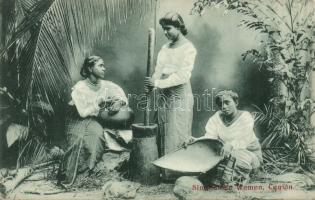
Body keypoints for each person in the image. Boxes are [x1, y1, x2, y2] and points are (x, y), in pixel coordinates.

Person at [63, 55, 134, 184]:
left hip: (95, 120)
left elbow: (122, 97)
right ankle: (73, 176)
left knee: (96, 137)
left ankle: (86, 173)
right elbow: (83, 113)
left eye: (104, 65)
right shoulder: (80, 87)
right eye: (100, 65)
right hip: (76, 119)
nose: (104, 68)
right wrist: (99, 102)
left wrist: (119, 103)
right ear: (90, 68)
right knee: (77, 142)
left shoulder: (107, 85)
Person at [144, 12, 197, 180]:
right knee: (163, 128)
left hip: (180, 93)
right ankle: (164, 171)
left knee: (177, 130)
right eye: (163, 29)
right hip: (164, 93)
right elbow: (159, 70)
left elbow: (183, 75)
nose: (165, 32)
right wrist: (152, 82)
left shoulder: (188, 48)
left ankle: (177, 173)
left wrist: (158, 83)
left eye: (168, 29)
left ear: (179, 27)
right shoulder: (165, 48)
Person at [184, 90, 262, 186]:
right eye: (220, 104)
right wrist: (196, 141)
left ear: (236, 102)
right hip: (226, 153)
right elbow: (210, 138)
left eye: (227, 102)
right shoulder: (216, 118)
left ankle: (238, 178)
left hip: (248, 153)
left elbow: (244, 139)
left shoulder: (245, 117)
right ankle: (220, 179)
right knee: (210, 157)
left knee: (232, 160)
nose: (223, 107)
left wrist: (230, 145)